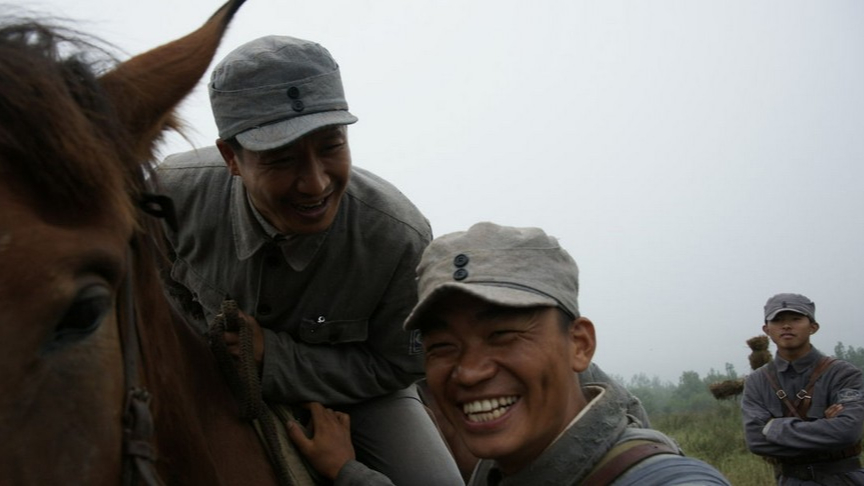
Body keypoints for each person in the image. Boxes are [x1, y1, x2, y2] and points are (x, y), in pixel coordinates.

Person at [156, 35, 462, 484]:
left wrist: (272, 357)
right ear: (231, 158)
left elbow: (402, 363)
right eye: (281, 159)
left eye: (331, 147)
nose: (315, 184)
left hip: (360, 398)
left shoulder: (399, 239)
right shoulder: (169, 195)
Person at [286, 222, 730, 485]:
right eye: (442, 346)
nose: (469, 371)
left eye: (503, 335)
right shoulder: (503, 472)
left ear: (579, 344)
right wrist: (348, 471)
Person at [742, 293, 864, 485]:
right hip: (790, 480)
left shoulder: (843, 374)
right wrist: (825, 430)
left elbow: (848, 432)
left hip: (844, 479)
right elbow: (756, 441)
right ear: (766, 329)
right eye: (778, 320)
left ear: (813, 327)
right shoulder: (757, 381)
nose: (786, 326)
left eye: (796, 319)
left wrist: (775, 428)